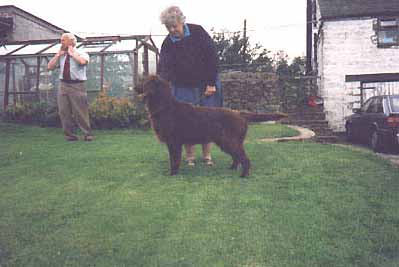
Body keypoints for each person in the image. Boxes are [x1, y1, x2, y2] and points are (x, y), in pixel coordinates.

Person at [158, 6, 223, 167]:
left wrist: (211, 83)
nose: (172, 30)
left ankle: (207, 156)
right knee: (185, 122)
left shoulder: (198, 32)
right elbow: (164, 69)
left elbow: (212, 57)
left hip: (206, 85)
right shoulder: (167, 43)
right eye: (169, 27)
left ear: (182, 22)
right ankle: (190, 157)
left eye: (175, 26)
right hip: (182, 88)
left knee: (208, 120)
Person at [47, 33, 94, 141]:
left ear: (71, 41)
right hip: (63, 84)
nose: (61, 42)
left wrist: (72, 54)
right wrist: (58, 55)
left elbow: (83, 62)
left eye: (63, 40)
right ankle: (70, 135)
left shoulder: (82, 52)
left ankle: (87, 134)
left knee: (80, 111)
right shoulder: (61, 54)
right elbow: (49, 67)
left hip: (77, 85)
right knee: (64, 111)